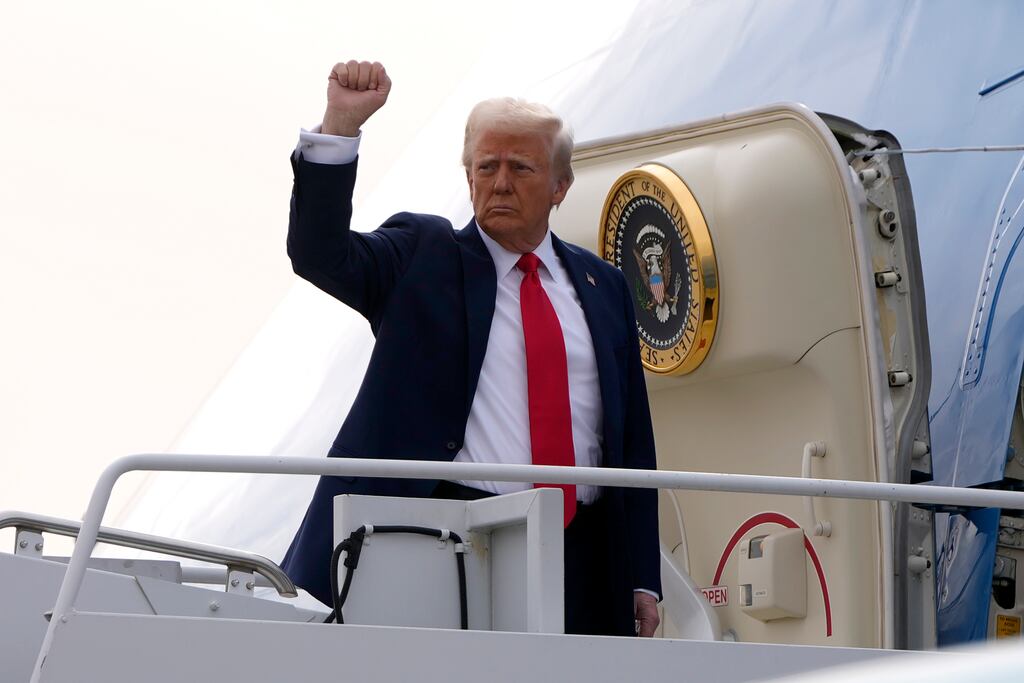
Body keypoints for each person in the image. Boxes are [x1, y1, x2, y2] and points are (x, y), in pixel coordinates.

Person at [281, 59, 661, 637]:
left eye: (521, 167)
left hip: (585, 550)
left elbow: (631, 439)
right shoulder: (423, 254)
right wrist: (339, 127)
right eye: (486, 166)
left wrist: (642, 576)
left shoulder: (602, 285)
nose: (500, 182)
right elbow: (318, 253)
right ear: (468, 178)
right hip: (452, 535)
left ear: (561, 186)